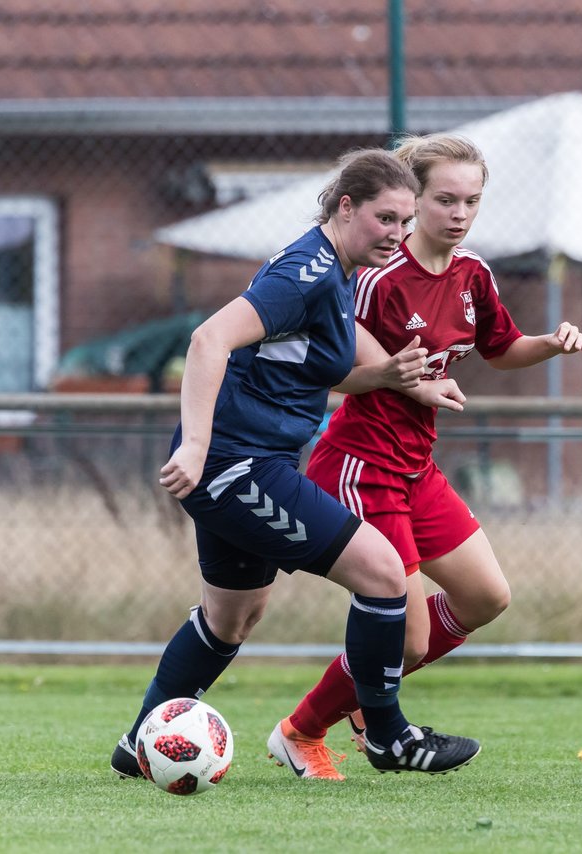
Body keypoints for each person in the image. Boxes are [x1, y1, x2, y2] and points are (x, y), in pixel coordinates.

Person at [110, 148, 482, 781]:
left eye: (404, 221)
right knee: (384, 572)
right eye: (385, 219)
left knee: (233, 617)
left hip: (256, 459)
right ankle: (389, 735)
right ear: (345, 207)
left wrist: (399, 379)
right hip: (236, 465)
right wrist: (194, 446)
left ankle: (141, 740)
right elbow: (209, 340)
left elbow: (329, 358)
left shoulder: (336, 272)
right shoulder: (307, 274)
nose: (396, 236)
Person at [266, 134, 582, 780]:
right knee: (406, 637)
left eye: (472, 200)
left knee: (486, 596)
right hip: (361, 465)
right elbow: (331, 366)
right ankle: (301, 732)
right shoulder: (377, 280)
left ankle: (369, 690)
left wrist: (550, 344)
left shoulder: (473, 275)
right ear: (415, 199)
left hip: (416, 469)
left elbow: (501, 348)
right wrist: (396, 375)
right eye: (445, 199)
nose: (460, 213)